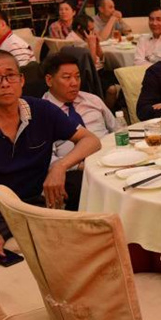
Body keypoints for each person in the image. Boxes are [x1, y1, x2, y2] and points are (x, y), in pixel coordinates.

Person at [0, 50, 101, 264]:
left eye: (11, 75)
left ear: (21, 80)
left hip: (35, 203)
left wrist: (60, 166)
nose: (5, 83)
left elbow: (91, 140)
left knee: (81, 248)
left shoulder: (41, 110)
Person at [42, 53, 114, 210]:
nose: (74, 83)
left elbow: (117, 129)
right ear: (49, 80)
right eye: (67, 77)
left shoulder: (92, 100)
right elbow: (46, 159)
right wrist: (78, 166)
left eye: (77, 76)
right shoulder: (42, 112)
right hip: (76, 171)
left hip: (111, 160)